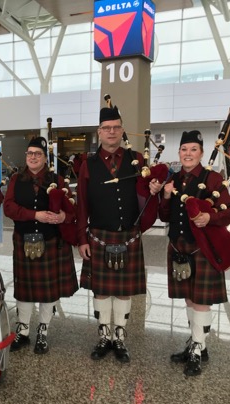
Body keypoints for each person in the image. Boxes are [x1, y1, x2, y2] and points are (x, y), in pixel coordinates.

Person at [77, 106, 161, 363]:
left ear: (122, 130)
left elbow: (146, 194)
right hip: (99, 235)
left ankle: (120, 337)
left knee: (123, 291)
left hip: (129, 235)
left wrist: (154, 190)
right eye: (106, 128)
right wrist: (81, 239)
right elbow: (81, 203)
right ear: (99, 132)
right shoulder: (87, 164)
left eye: (115, 127)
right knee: (101, 290)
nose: (111, 132)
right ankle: (104, 336)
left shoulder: (137, 159)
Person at [158, 130, 230, 376]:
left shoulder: (213, 179)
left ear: (201, 153)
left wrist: (209, 217)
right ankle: (196, 343)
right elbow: (164, 216)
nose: (188, 154)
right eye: (184, 149)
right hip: (178, 247)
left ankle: (197, 348)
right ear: (179, 153)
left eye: (193, 149)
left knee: (201, 301)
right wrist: (167, 195)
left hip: (202, 248)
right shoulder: (173, 178)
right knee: (190, 298)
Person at [4, 137, 78, 354]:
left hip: (51, 241)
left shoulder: (58, 179)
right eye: (29, 153)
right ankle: (24, 330)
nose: (33, 157)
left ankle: (43, 332)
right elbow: (8, 207)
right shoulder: (17, 179)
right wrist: (35, 215)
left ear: (45, 157)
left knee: (48, 291)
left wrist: (63, 215)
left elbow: (71, 208)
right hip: (23, 240)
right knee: (24, 290)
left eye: (37, 153)